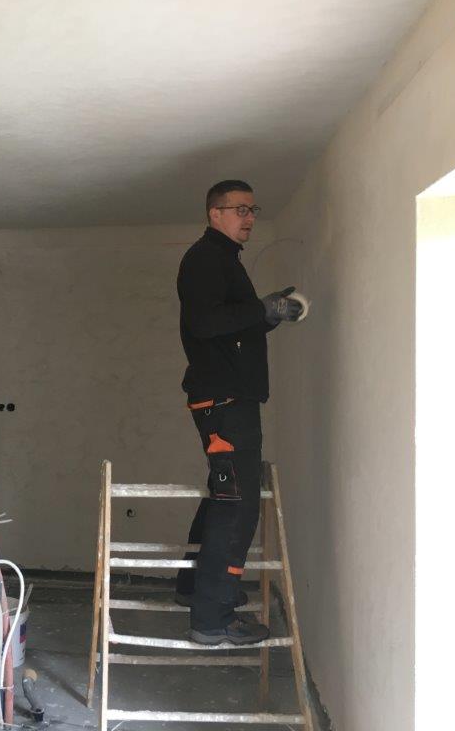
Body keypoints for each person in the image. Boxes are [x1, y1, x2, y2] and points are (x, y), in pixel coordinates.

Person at [173, 179, 304, 645]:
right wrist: (258, 309)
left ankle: (194, 589)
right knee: (238, 505)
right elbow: (205, 323)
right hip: (225, 401)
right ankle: (213, 619)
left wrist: (266, 315)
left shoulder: (224, 260)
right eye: (239, 209)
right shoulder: (205, 258)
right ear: (215, 214)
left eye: (252, 209)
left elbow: (231, 328)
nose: (249, 218)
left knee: (223, 495)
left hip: (227, 397)